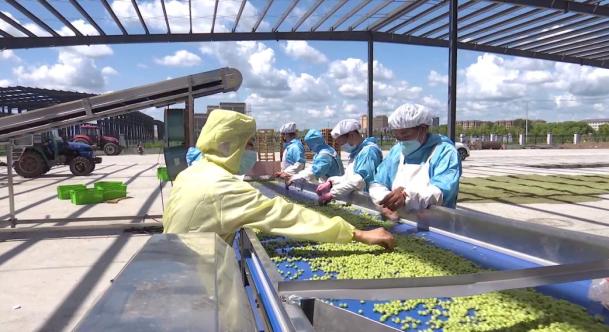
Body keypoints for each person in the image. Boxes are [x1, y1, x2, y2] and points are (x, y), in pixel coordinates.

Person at [163, 109, 394, 249]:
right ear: (229, 146)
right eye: (248, 145)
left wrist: (331, 185)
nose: (250, 151)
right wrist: (355, 233)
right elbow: (283, 214)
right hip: (198, 273)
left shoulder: (189, 173)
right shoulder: (221, 187)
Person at [370, 103, 461, 219]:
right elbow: (378, 182)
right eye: (398, 137)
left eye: (405, 135)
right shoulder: (397, 151)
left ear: (423, 128)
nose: (402, 142)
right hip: (397, 220)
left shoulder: (445, 152)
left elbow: (442, 191)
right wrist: (386, 199)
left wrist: (406, 196)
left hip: (435, 225)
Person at [316, 119, 383, 204]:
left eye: (342, 143)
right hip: (359, 199)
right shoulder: (357, 152)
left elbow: (358, 181)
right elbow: (348, 179)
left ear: (351, 135)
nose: (342, 146)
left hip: (370, 201)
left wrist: (332, 193)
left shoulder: (368, 152)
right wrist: (330, 182)